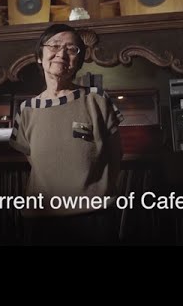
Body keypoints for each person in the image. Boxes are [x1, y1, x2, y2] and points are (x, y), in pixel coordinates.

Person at [9, 24, 124, 245]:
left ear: (78, 62)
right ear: (39, 56)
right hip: (41, 219)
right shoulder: (26, 109)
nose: (61, 54)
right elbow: (33, 160)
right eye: (54, 45)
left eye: (71, 49)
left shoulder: (97, 99)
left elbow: (116, 154)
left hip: (94, 218)